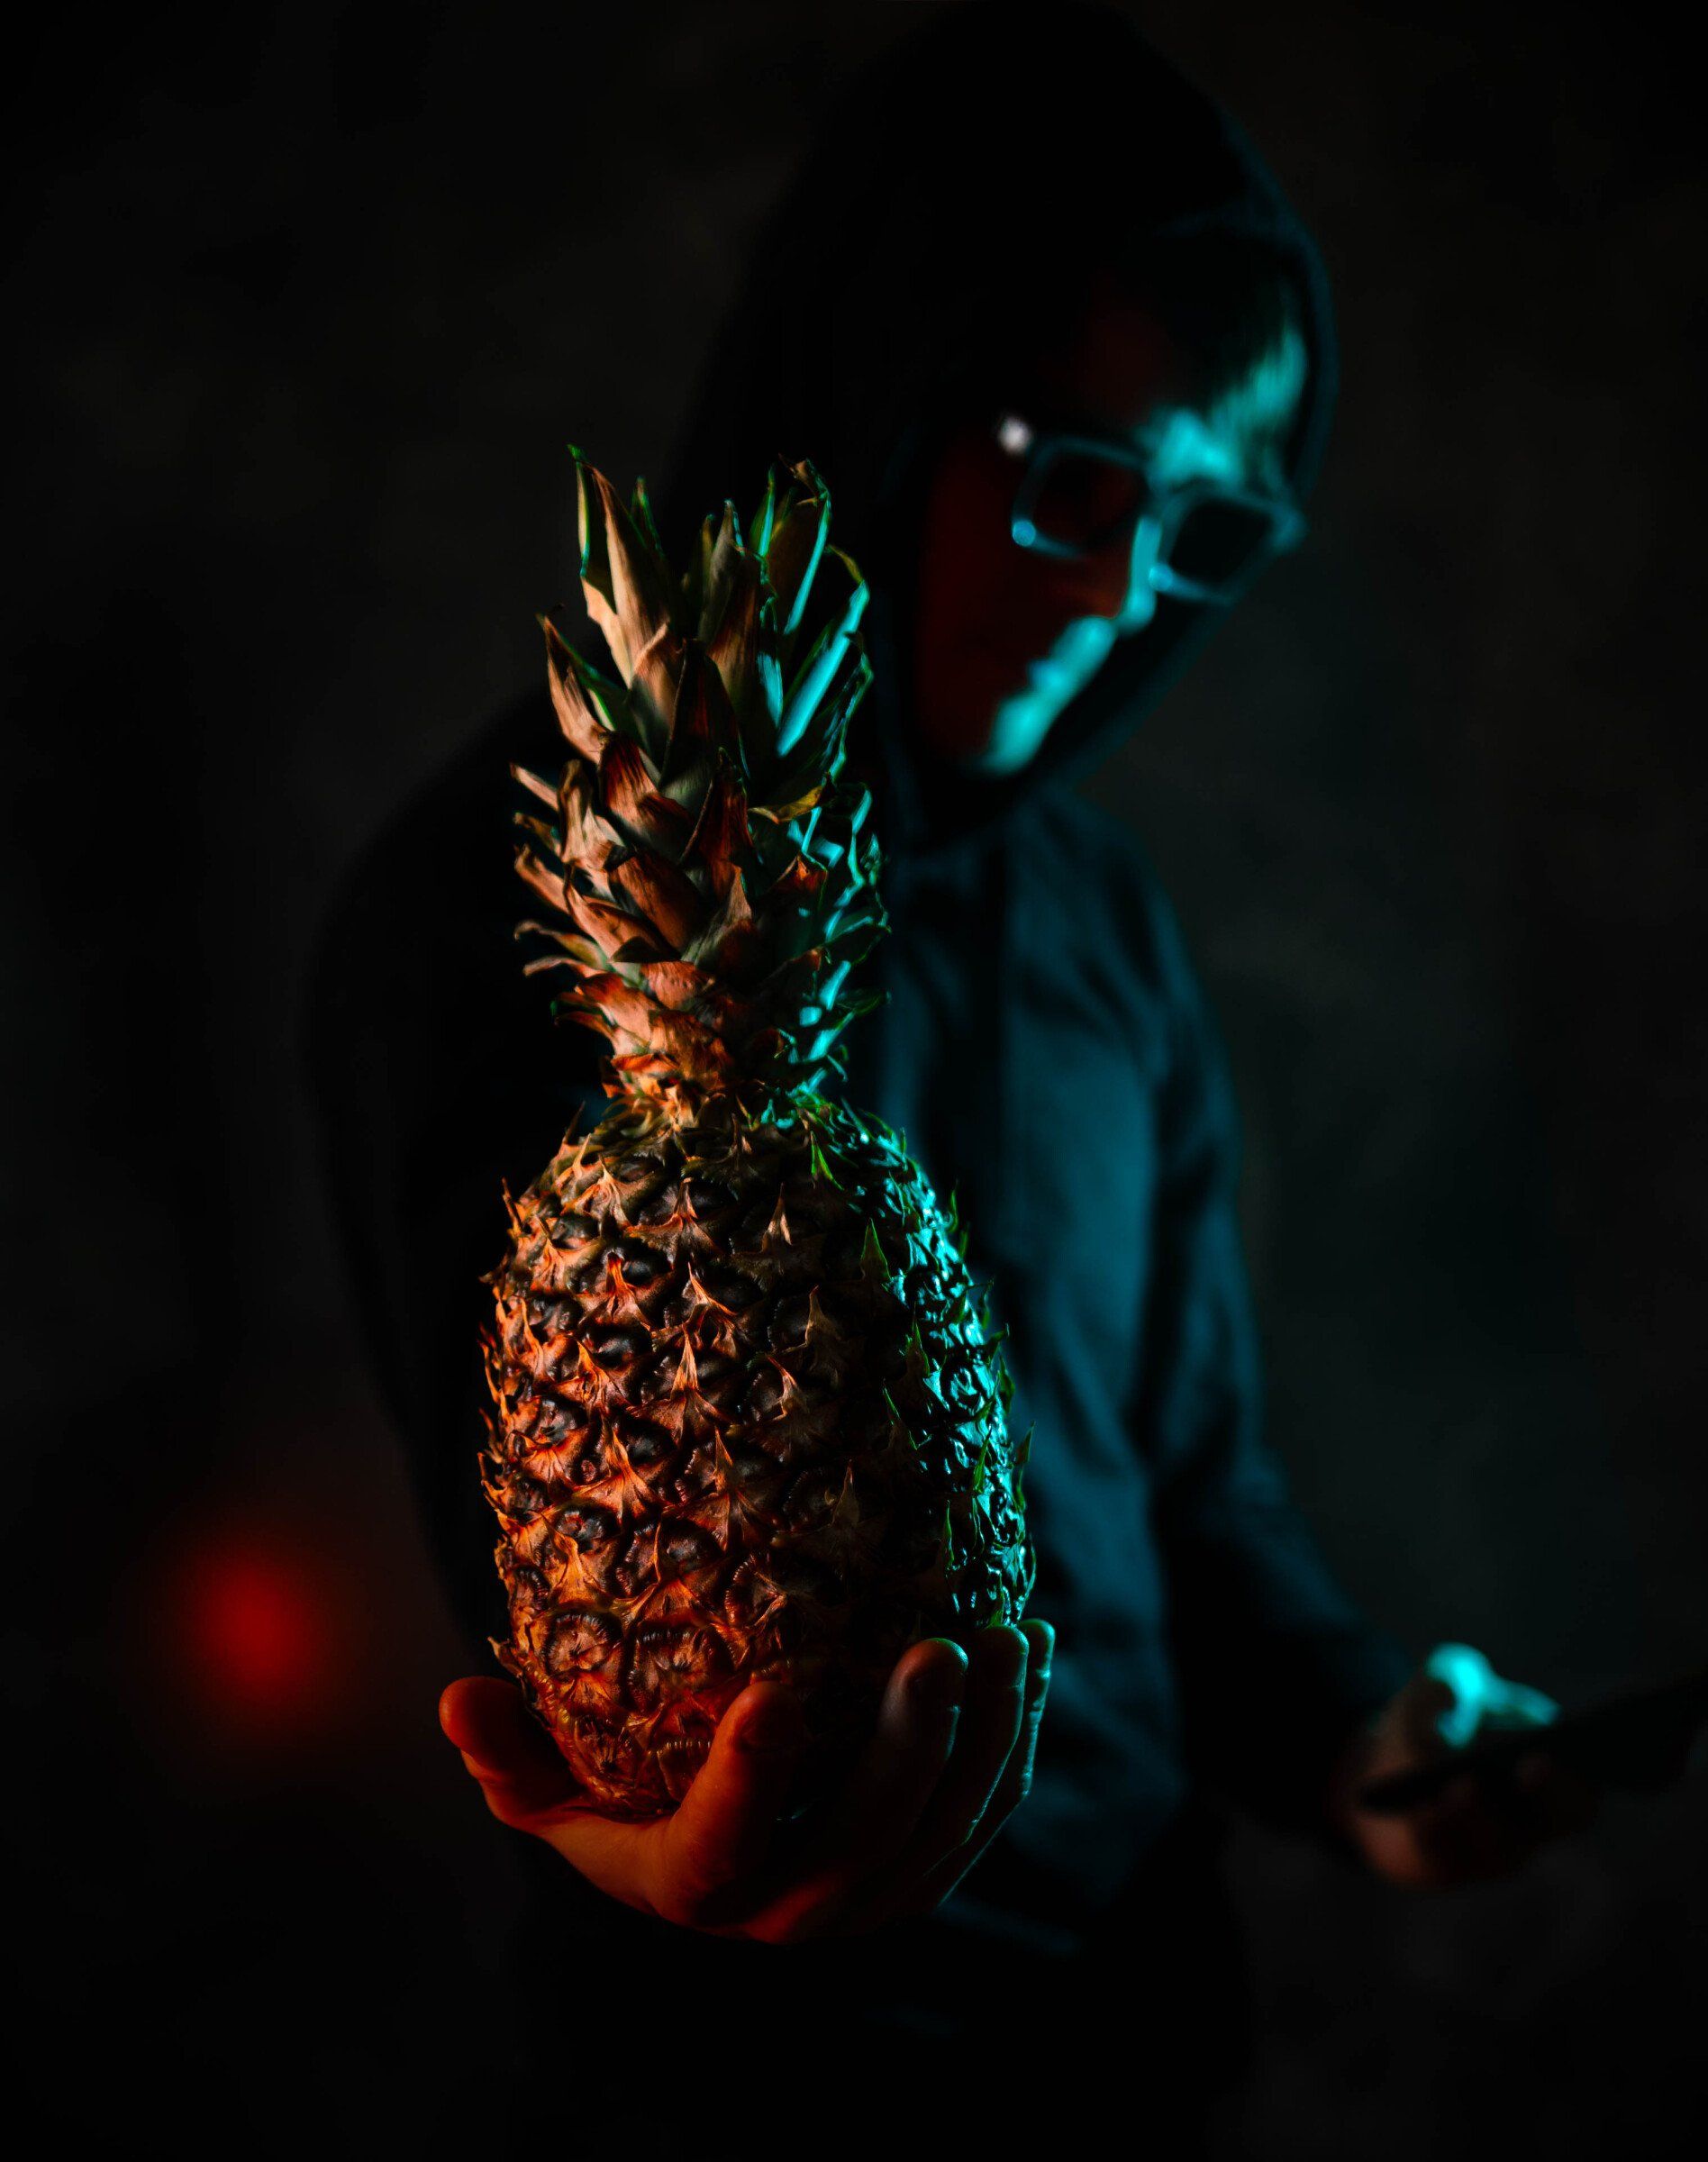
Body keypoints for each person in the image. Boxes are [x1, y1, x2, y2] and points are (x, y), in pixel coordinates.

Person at [303, 4, 1595, 2144]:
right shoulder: (486, 907)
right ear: (886, 393)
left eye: (1208, 534)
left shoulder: (1107, 929)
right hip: (729, 2090)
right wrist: (653, 1838)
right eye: (1072, 478)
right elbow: (549, 1601)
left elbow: (1189, 1482)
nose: (1113, 593)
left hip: (1144, 2053)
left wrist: (1376, 1736)